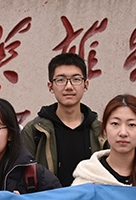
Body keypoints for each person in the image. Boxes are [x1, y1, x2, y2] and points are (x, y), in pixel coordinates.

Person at [21, 53, 104, 187]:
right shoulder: (34, 131)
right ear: (50, 86)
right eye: (61, 80)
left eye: (76, 79)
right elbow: (22, 175)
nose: (69, 86)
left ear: (86, 85)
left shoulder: (100, 131)